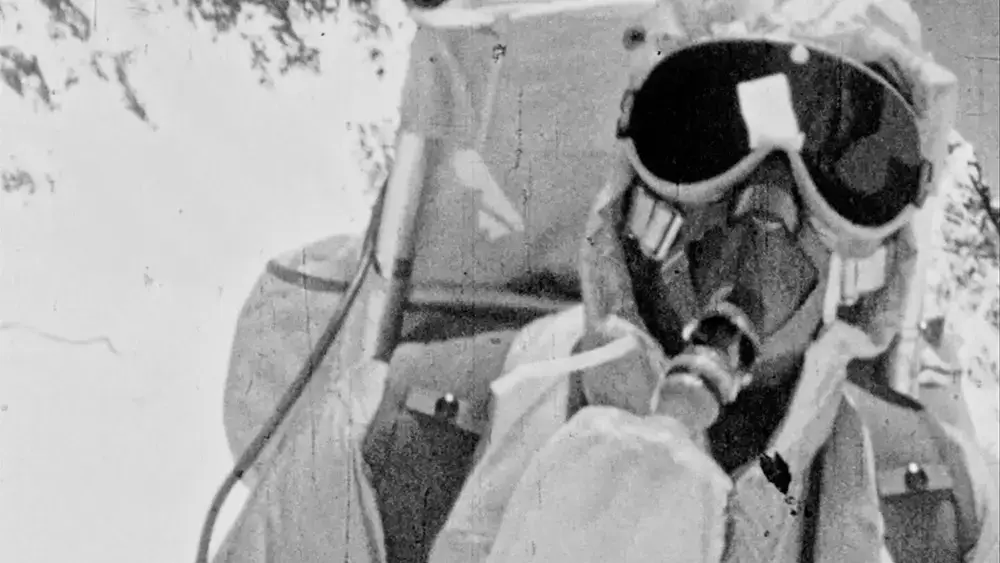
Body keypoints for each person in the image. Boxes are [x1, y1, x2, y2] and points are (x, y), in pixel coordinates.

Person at [209, 0, 999, 562]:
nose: (767, 207)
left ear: (882, 252)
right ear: (630, 181)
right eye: (704, 130)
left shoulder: (931, 517)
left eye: (851, 165)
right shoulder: (392, 447)